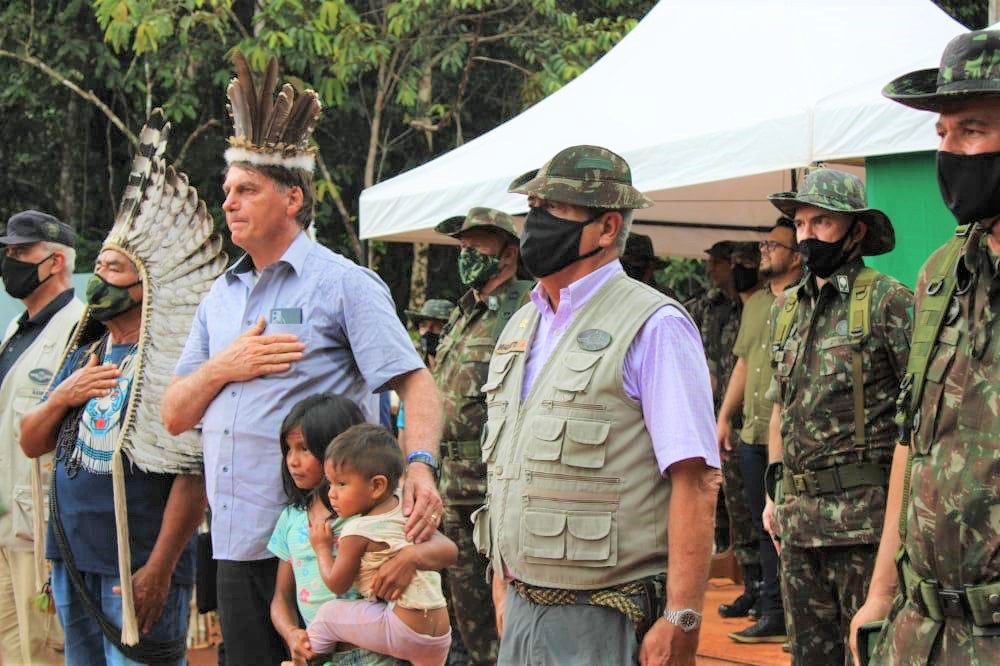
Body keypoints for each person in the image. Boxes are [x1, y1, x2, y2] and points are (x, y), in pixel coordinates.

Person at [162, 53, 443, 665]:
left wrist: (419, 464)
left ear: (292, 198)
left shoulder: (344, 284)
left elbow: (417, 384)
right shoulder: (220, 295)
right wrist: (224, 366)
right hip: (239, 542)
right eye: (226, 192)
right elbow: (175, 414)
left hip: (330, 544)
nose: (229, 204)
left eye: (246, 190)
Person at [474, 145, 721, 665]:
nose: (535, 224)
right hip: (520, 606)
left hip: (608, 613)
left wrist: (682, 615)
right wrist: (503, 582)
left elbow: (695, 479)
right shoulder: (523, 325)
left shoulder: (654, 325)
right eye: (534, 208)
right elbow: (511, 465)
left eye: (555, 211)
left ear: (607, 228)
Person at [19, 108, 223, 665]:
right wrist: (65, 395)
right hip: (72, 556)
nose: (99, 278)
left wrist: (160, 567)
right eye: (99, 266)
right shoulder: (84, 352)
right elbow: (32, 440)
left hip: (136, 562)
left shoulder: (176, 362)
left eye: (113, 268)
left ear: (145, 285)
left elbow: (192, 470)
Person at [848, 29, 1000, 665]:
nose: (950, 152)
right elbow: (913, 440)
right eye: (942, 135)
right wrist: (882, 595)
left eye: (970, 130)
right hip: (924, 631)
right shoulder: (942, 271)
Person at [760, 168, 914, 665]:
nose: (807, 235)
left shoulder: (889, 301)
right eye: (801, 224)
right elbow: (780, 407)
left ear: (856, 230)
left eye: (821, 222)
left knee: (869, 653)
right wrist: (774, 491)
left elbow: (921, 416)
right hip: (798, 528)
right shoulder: (787, 309)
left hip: (863, 528)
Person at [270, 394, 456, 666]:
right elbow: (281, 597)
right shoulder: (291, 519)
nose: (292, 461)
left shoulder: (371, 514)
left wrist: (410, 557)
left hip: (378, 652)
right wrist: (291, 634)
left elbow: (446, 549)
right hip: (323, 653)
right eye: (288, 449)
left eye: (304, 449)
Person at [431, 207, 533, 665]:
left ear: (508, 253)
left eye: (477, 246)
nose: (466, 254)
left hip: (491, 489)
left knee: (495, 620)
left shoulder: (527, 310)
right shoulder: (462, 312)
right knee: (460, 611)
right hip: (449, 485)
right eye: (463, 247)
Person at [1, 210, 81, 665]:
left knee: (46, 650)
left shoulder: (79, 327)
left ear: (54, 262)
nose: (9, 260)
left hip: (44, 528)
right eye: (8, 251)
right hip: (5, 524)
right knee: (13, 651)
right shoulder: (16, 329)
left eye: (20, 252)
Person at [717, 219, 802, 644]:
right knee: (761, 524)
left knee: (786, 529)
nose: (764, 250)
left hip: (788, 436)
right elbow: (744, 363)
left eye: (774, 244)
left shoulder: (805, 300)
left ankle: (787, 613)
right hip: (752, 434)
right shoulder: (754, 305)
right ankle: (773, 611)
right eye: (764, 243)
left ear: (797, 254)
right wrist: (723, 417)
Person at [686, 239, 761, 616]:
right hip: (714, 419)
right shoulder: (706, 307)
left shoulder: (754, 305)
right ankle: (751, 583)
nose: (714, 270)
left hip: (751, 421)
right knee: (732, 503)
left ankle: (765, 590)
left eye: (720, 263)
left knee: (753, 505)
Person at [404, 299, 455, 370]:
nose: (428, 331)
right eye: (423, 325)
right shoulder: (413, 366)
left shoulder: (458, 369)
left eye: (437, 325)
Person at [621, 232, 675, 298]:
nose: (627, 270)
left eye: (636, 261)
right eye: (623, 265)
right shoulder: (616, 295)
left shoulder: (664, 297)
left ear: (651, 266)